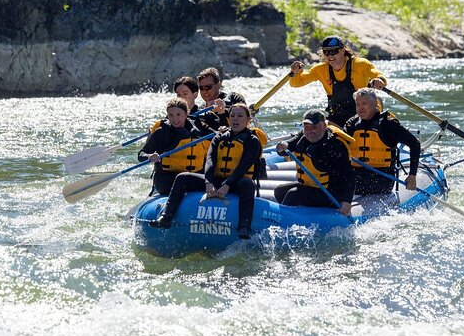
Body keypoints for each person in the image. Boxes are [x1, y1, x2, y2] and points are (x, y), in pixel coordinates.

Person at [149, 104, 262, 239]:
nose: (235, 120)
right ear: (228, 119)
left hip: (237, 182)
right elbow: (210, 161)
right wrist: (209, 182)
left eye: (240, 116)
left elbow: (244, 166)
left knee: (247, 183)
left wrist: (228, 185)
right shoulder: (219, 137)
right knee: (182, 177)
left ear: (248, 119)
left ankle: (244, 226)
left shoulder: (253, 140)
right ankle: (165, 217)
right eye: (232, 116)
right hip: (216, 181)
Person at [289, 35, 387, 127]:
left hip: (365, 114)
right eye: (326, 52)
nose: (330, 56)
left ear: (343, 50)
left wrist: (379, 80)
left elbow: (377, 74)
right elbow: (295, 83)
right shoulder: (320, 69)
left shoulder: (360, 64)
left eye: (333, 51)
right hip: (337, 117)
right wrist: (295, 72)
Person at [274, 109, 355, 216]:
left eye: (314, 127)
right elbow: (287, 147)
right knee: (279, 191)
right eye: (306, 127)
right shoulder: (303, 136)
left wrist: (347, 202)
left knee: (293, 195)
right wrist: (282, 146)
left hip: (332, 193)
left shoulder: (334, 146)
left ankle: (283, 221)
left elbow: (350, 175)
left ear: (323, 126)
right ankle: (297, 216)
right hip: (313, 187)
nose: (310, 131)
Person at [344, 88, 420, 195]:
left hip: (381, 180)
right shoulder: (352, 123)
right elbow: (339, 146)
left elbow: (415, 144)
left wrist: (412, 175)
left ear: (375, 104)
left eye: (364, 103)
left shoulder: (388, 124)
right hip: (356, 177)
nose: (360, 108)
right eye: (358, 104)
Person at [138, 98, 212, 195]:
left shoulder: (198, 128)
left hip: (192, 176)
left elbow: (219, 136)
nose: (175, 119)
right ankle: (169, 210)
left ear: (186, 114)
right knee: (181, 180)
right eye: (171, 115)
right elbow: (141, 154)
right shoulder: (162, 132)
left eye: (178, 115)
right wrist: (149, 156)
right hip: (166, 179)